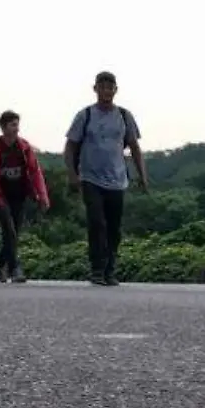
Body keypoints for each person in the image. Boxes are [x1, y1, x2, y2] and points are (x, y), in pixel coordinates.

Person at [65, 71, 147, 287]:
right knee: (97, 223)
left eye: (110, 87)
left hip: (117, 180)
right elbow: (70, 147)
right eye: (102, 87)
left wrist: (142, 176)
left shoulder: (123, 116)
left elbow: (135, 147)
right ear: (95, 89)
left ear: (115, 90)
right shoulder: (85, 116)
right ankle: (97, 269)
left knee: (114, 227)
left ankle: (110, 269)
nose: (106, 91)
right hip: (90, 178)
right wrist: (72, 175)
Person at [0, 111, 50, 283]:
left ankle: (0, 265)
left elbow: (35, 172)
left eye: (17, 124)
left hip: (19, 194)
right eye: (12, 125)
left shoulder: (24, 148)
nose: (16, 129)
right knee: (9, 229)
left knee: (14, 233)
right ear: (3, 127)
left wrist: (42, 196)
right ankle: (15, 268)